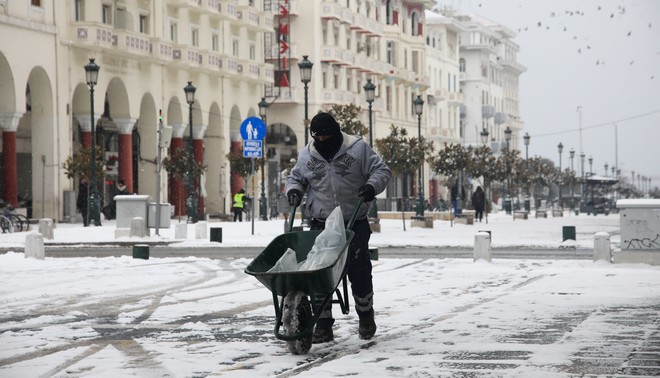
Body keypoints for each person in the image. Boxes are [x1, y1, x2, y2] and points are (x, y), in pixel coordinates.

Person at [286, 112, 391, 343]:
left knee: (358, 268)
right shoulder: (307, 154)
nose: (322, 142)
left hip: (352, 220)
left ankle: (365, 316)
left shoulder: (358, 149)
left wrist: (371, 187)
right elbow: (296, 178)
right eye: (317, 138)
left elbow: (382, 171)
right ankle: (323, 325)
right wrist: (293, 190)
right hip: (321, 222)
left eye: (326, 137)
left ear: (335, 132)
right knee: (318, 272)